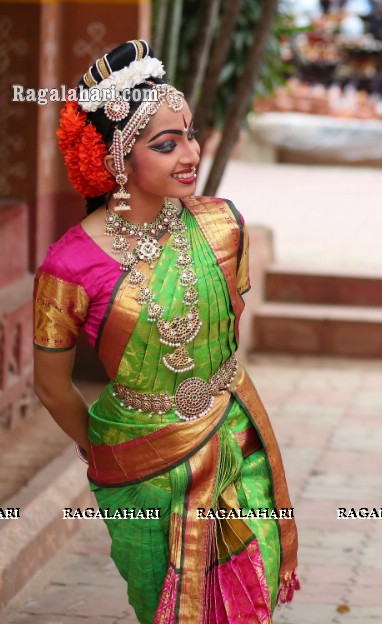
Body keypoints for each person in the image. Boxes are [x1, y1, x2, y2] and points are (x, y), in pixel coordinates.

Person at [33, 40, 299, 624]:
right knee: (168, 604)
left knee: (250, 595)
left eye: (190, 135)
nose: (191, 154)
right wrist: (104, 452)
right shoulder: (70, 264)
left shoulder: (222, 225)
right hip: (140, 461)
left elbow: (223, 332)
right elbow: (51, 385)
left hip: (235, 435)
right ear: (116, 162)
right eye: (165, 143)